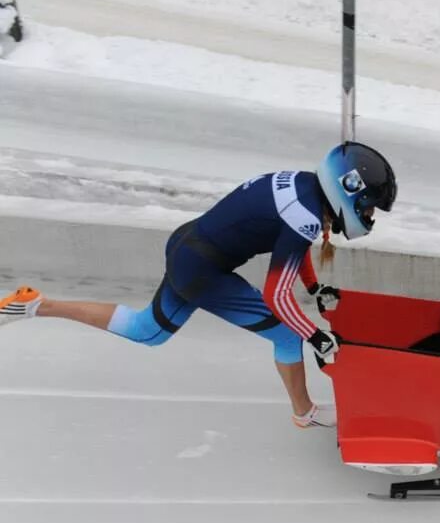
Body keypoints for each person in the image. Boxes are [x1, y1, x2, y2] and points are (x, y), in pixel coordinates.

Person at [0, 141, 397, 427]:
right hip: (204, 270)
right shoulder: (307, 215)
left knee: (147, 331)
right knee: (288, 336)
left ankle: (38, 304)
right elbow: (277, 294)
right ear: (347, 191)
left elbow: (292, 250)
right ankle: (304, 412)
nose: (368, 215)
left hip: (188, 246)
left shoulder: (303, 186)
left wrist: (312, 290)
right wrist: (315, 335)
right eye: (368, 206)